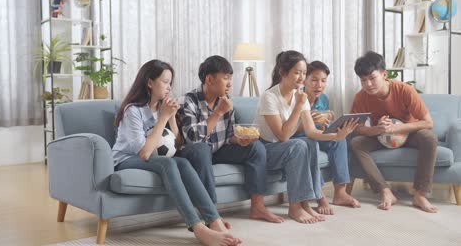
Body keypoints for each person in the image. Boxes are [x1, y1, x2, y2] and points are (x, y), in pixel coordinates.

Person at [112, 60, 242, 246]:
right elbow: (144, 153)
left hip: (152, 156)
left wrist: (171, 118)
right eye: (165, 82)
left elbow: (177, 144)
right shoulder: (133, 110)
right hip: (126, 159)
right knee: (169, 163)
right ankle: (197, 228)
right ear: (150, 83)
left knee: (183, 163)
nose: (169, 87)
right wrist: (164, 117)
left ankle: (215, 221)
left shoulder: (161, 108)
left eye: (170, 83)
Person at [254, 51, 358, 223]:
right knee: (299, 145)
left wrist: (336, 136)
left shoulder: (299, 96)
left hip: (284, 148)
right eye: (297, 72)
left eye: (303, 73)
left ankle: (306, 203)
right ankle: (295, 207)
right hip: (266, 149)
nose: (302, 77)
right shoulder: (269, 97)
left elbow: (311, 132)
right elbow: (283, 136)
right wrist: (299, 105)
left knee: (309, 142)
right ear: (283, 72)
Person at [179, 55, 284, 224]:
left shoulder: (226, 102)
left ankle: (257, 206)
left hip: (218, 150)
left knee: (256, 147)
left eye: (231, 79)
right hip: (195, 152)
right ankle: (211, 216)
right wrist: (218, 112)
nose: (230, 83)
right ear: (210, 79)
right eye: (226, 78)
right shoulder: (188, 100)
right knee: (201, 149)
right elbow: (192, 137)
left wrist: (240, 140)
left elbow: (228, 136)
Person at [350, 51, 438, 213]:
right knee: (356, 143)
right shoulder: (361, 97)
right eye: (363, 80)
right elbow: (358, 128)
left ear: (384, 74)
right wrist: (377, 129)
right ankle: (385, 191)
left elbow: (428, 122)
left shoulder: (404, 90)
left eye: (372, 78)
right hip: (380, 136)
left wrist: (397, 128)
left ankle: (420, 194)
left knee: (429, 138)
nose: (368, 84)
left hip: (410, 134)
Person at [299, 60, 361, 214]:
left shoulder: (323, 99)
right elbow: (289, 130)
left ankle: (340, 193)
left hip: (316, 135)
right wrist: (310, 122)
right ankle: (320, 197)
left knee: (340, 140)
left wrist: (328, 123)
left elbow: (321, 127)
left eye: (323, 80)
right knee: (310, 144)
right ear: (304, 80)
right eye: (314, 80)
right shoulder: (296, 98)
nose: (319, 85)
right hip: (299, 138)